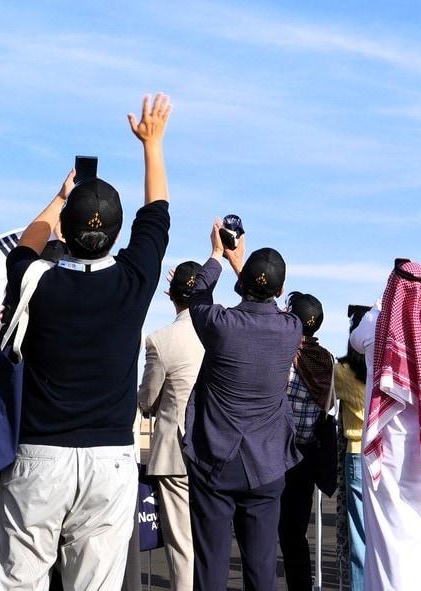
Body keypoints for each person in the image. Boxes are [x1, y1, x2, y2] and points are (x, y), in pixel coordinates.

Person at [0, 94, 172, 591]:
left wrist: (58, 198)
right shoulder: (133, 280)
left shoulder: (36, 280)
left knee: (19, 582)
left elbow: (26, 245)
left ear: (64, 234)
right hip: (110, 459)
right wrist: (151, 144)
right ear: (118, 234)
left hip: (39, 455)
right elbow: (157, 214)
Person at [182, 229, 303, 591]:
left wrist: (219, 255)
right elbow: (268, 306)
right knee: (262, 570)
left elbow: (196, 293)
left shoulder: (221, 325)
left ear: (243, 284)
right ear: (281, 291)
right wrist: (244, 269)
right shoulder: (291, 329)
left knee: (210, 569)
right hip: (266, 463)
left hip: (215, 459)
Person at [351, 260, 421, 591]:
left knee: (388, 541)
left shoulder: (377, 325)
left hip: (389, 451)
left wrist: (386, 301)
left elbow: (355, 338)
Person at [131, 259, 205, 591]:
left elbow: (147, 399)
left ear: (170, 295)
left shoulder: (161, 340)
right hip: (216, 449)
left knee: (181, 545)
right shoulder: (219, 331)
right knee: (209, 542)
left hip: (176, 450)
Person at [279, 291, 335, 591]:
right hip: (306, 457)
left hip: (276, 455)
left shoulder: (286, 354)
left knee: (261, 530)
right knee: (295, 534)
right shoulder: (325, 359)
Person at [335, 309, 370, 591]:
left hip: (356, 452)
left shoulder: (343, 372)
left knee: (359, 539)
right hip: (386, 455)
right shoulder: (385, 367)